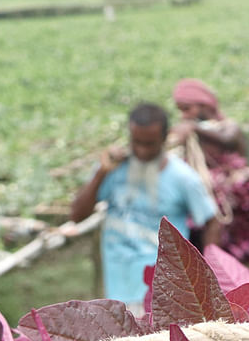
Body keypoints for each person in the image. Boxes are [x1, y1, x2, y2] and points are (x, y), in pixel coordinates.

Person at [70, 102, 220, 313]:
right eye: (136, 142)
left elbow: (212, 222)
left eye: (149, 144)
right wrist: (101, 173)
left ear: (164, 139)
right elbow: (77, 215)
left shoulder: (183, 178)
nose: (141, 151)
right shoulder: (113, 169)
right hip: (118, 289)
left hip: (164, 293)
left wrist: (203, 276)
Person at [170, 78, 249, 264]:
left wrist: (195, 128)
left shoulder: (228, 127)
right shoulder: (191, 134)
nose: (184, 115)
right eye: (181, 110)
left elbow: (227, 139)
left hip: (235, 195)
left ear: (204, 104)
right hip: (207, 193)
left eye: (187, 108)